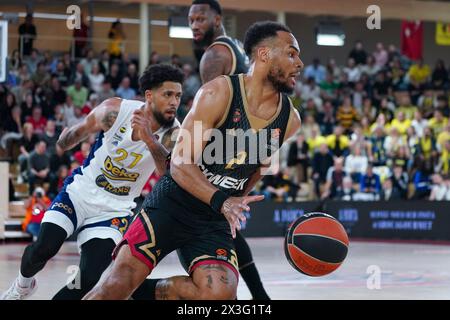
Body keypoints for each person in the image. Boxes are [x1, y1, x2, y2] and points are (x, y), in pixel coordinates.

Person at [84, 21, 302, 300]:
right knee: (114, 288)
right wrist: (224, 200)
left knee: (220, 295)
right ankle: (133, 287)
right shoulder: (218, 93)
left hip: (212, 219)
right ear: (264, 55)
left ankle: (162, 290)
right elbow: (179, 164)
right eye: (291, 54)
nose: (299, 63)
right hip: (172, 204)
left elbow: (259, 168)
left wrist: (235, 202)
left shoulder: (290, 120)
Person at [1, 64, 184, 300]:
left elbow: (165, 174)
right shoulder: (116, 111)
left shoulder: (175, 133)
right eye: (167, 94)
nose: (174, 102)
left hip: (115, 208)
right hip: (80, 192)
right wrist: (66, 139)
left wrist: (149, 139)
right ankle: (22, 286)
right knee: (43, 248)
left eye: (178, 96)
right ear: (149, 95)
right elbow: (78, 132)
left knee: (89, 276)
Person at [186, 0, 267, 300]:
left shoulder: (215, 54)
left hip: (223, 149)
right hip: (246, 145)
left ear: (217, 19)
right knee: (226, 223)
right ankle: (261, 297)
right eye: (191, 20)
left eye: (200, 19)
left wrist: (189, 155)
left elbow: (206, 112)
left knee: (178, 208)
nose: (194, 25)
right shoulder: (234, 47)